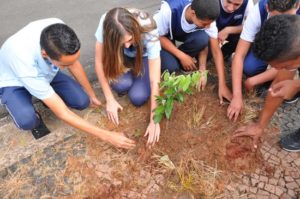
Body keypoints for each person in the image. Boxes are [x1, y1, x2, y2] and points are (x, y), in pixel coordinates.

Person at [0, 18, 135, 149]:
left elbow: (73, 63)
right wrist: (107, 136)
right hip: (14, 82)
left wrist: (91, 94)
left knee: (82, 101)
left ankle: (47, 98)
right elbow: (62, 113)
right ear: (45, 54)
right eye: (65, 64)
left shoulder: (57, 29)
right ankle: (36, 119)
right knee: (26, 120)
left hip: (45, 72)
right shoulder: (23, 62)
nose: (69, 65)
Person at [94, 8, 161, 146]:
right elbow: (98, 61)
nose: (127, 45)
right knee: (120, 85)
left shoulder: (148, 28)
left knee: (138, 97)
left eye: (130, 39)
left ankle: (138, 75)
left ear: (135, 29)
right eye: (121, 42)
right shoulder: (106, 22)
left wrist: (155, 119)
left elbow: (155, 80)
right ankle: (130, 74)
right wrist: (109, 99)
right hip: (120, 57)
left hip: (143, 57)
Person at [233, 14, 300, 152]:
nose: (277, 71)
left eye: (283, 66)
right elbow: (277, 88)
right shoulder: (293, 43)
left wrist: (296, 85)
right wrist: (259, 126)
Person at [227, 0, 300, 122]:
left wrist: (295, 85)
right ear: (267, 8)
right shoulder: (257, 12)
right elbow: (239, 55)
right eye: (277, 18)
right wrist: (237, 95)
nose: (282, 23)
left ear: (298, 5)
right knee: (250, 66)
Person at [154, 0, 232, 104]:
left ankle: (181, 61)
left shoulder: (207, 19)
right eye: (204, 24)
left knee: (203, 38)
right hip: (163, 37)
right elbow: (157, 36)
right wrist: (182, 56)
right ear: (193, 13)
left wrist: (204, 71)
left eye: (209, 24)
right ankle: (178, 60)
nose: (208, 26)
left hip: (185, 36)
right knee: (171, 67)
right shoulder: (168, 10)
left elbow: (216, 52)